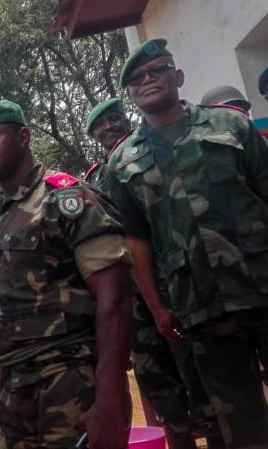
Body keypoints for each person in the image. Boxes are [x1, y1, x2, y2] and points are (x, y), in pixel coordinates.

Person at [106, 38, 268, 449]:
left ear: (176, 76)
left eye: (157, 70)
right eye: (138, 79)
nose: (148, 81)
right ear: (130, 95)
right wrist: (158, 307)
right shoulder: (122, 162)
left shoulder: (230, 126)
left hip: (263, 282)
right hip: (199, 305)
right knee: (238, 417)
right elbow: (136, 239)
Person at [0, 99, 133, 449]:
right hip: (14, 387)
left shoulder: (65, 198)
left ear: (24, 137)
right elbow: (1, 312)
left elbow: (116, 298)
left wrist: (110, 400)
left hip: (69, 380)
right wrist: (0, 386)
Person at [85, 98, 222, 449]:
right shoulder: (92, 180)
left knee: (200, 368)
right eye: (101, 126)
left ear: (124, 118)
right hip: (130, 294)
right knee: (154, 376)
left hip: (170, 280)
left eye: (114, 119)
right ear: (94, 135)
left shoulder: (151, 156)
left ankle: (218, 434)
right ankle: (177, 435)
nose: (109, 127)